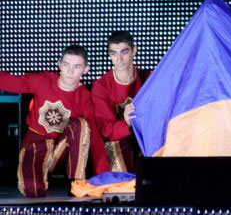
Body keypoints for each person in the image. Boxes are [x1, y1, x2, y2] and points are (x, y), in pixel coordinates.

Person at [0, 45, 109, 197]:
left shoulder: (84, 97)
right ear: (59, 65)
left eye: (77, 66)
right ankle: (39, 176)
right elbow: (10, 82)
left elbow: (95, 138)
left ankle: (76, 182)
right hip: (35, 145)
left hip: (60, 152)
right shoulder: (43, 81)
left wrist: (104, 175)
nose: (70, 71)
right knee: (32, 189)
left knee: (81, 125)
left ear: (85, 69)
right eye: (66, 65)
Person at [92, 31, 150, 172]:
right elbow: (105, 129)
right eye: (114, 54)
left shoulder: (148, 78)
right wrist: (126, 123)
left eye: (124, 52)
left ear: (134, 50)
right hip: (118, 141)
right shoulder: (101, 86)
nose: (119, 59)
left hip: (146, 137)